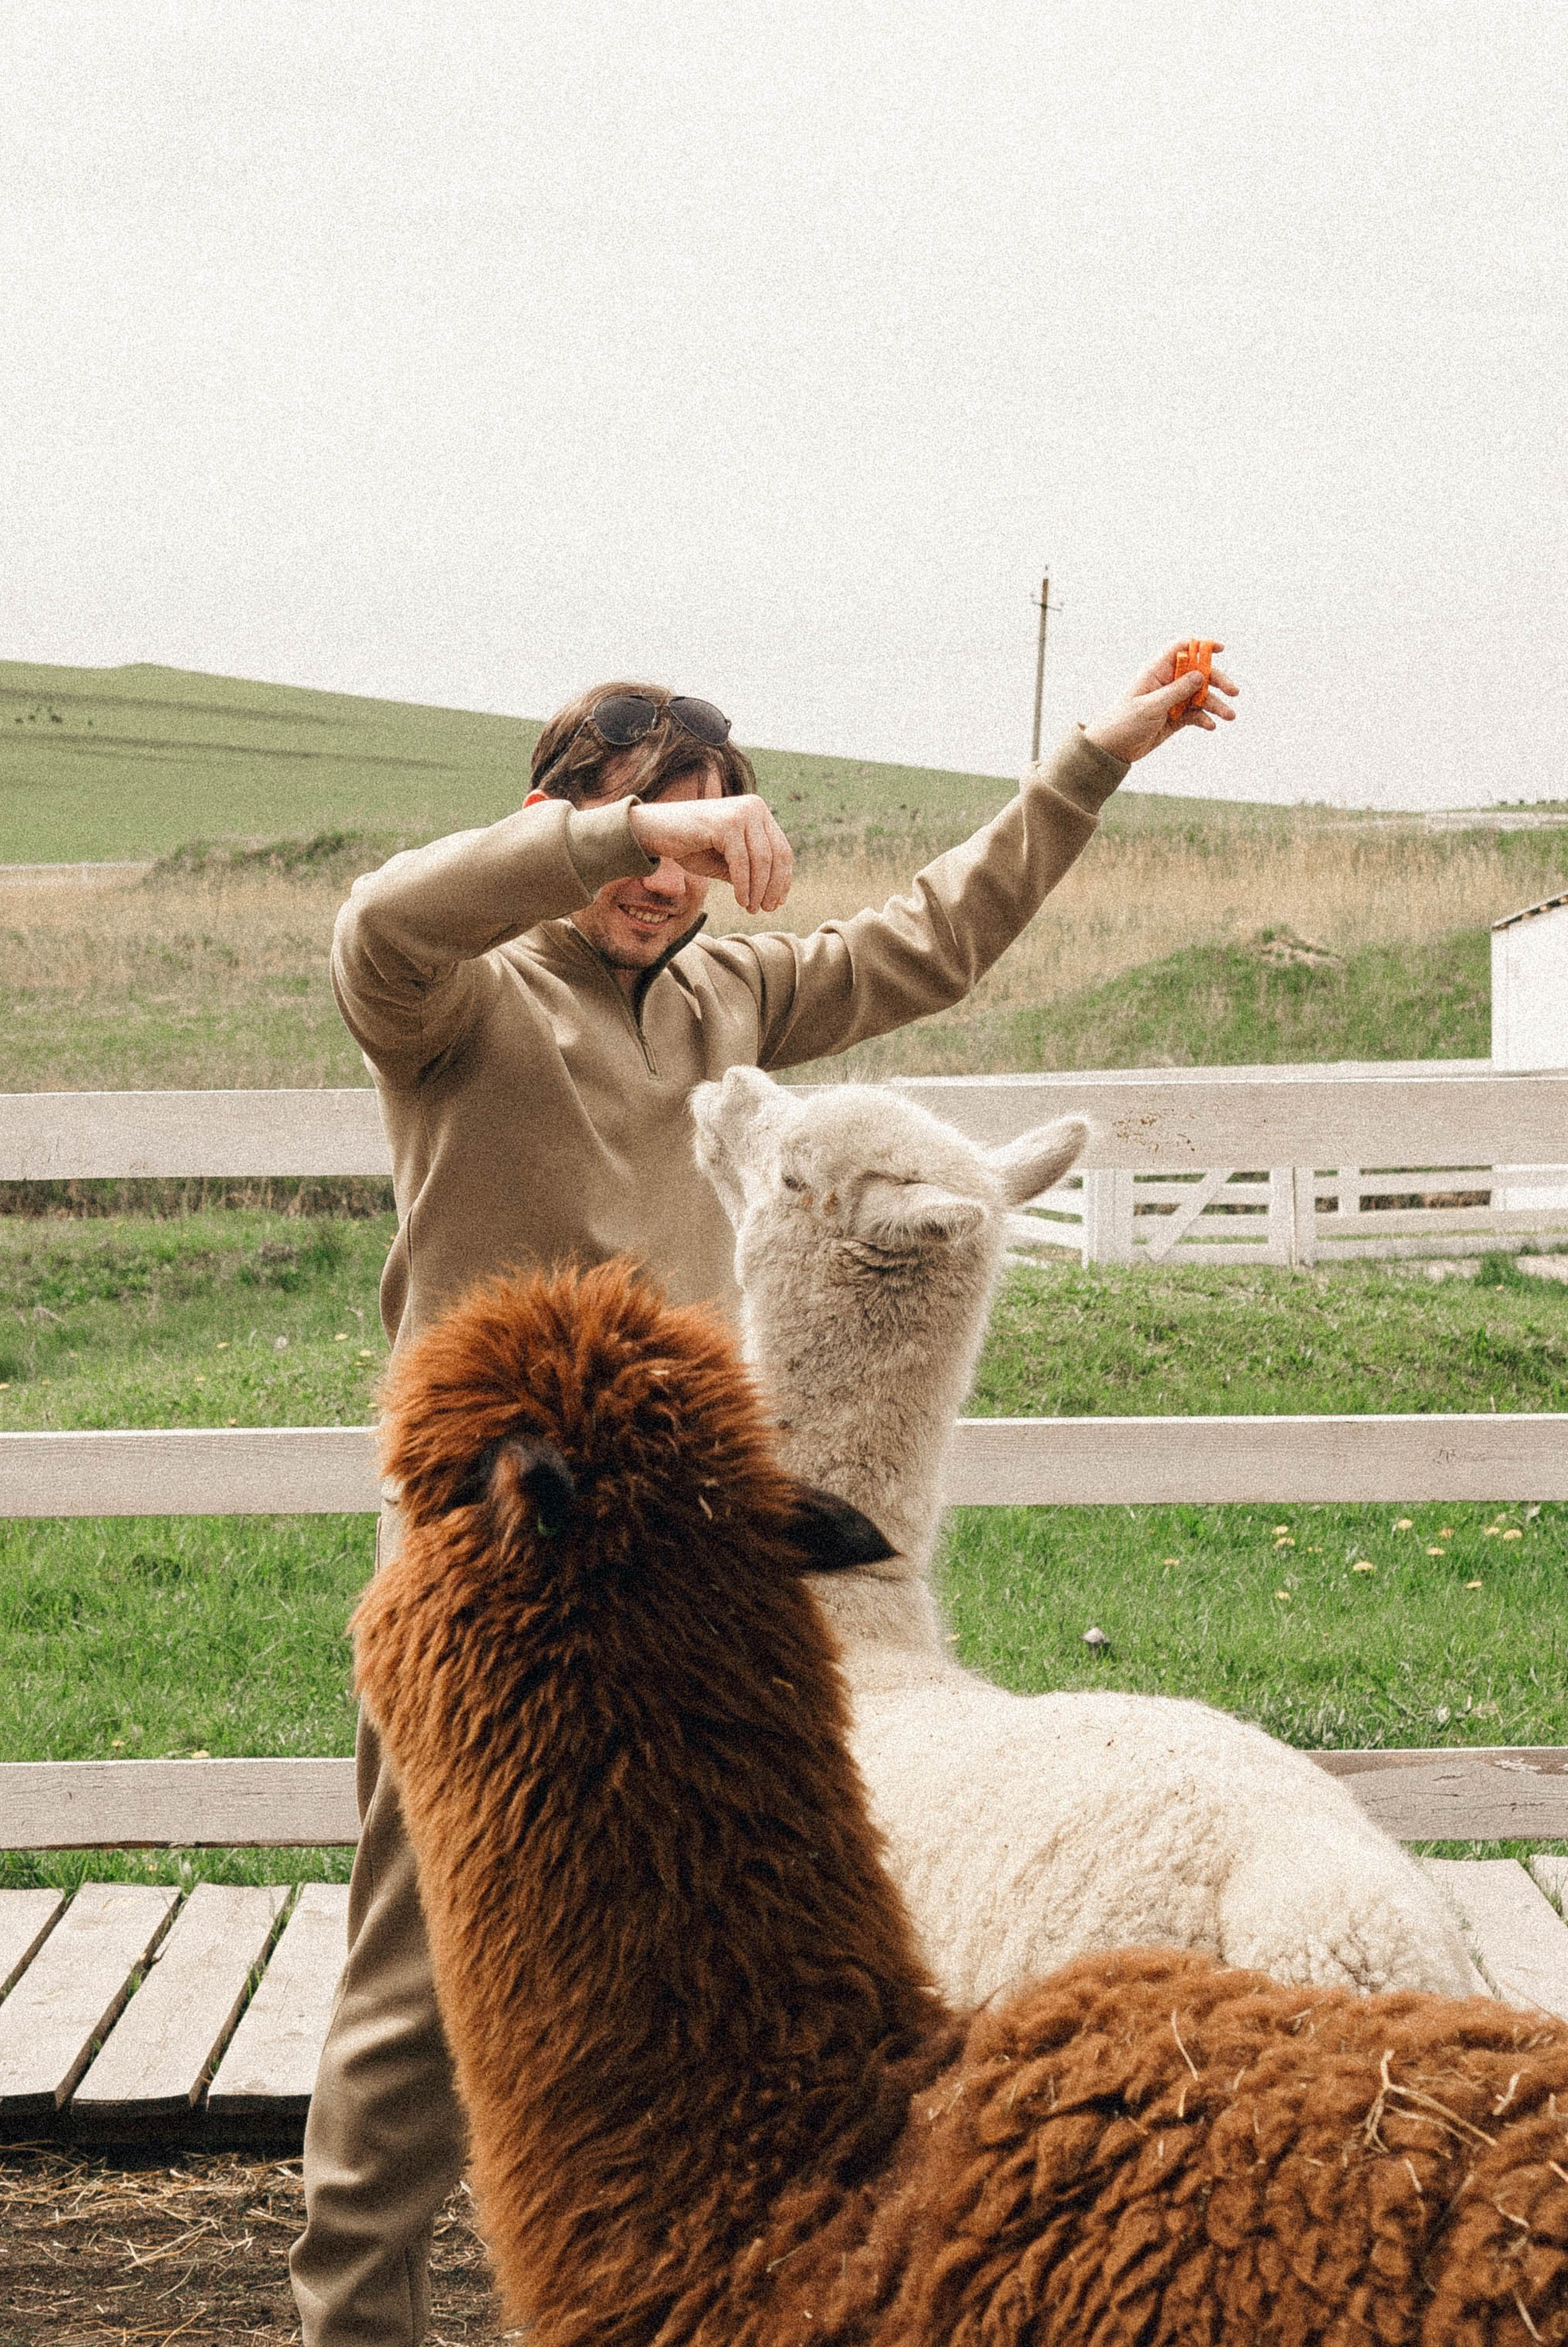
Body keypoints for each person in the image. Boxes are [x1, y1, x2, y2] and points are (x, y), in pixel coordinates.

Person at [290, 643, 1238, 2347]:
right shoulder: (453, 1003)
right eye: (632, 841)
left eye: (693, 854)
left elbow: (935, 938)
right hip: (496, 1566)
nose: (665, 884)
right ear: (551, 822)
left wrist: (1093, 756)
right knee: (421, 1983)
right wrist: (632, 838)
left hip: (704, 1564)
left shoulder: (725, 1003)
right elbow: (379, 917)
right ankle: (349, 2320)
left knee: (718, 1940)